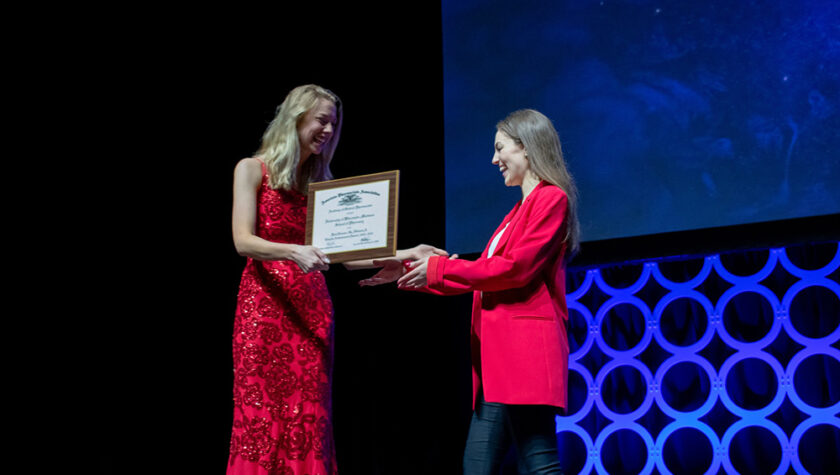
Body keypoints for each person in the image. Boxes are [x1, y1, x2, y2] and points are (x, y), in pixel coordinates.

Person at [228, 84, 446, 474]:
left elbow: (347, 258)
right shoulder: (251, 168)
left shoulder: (320, 185)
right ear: (296, 119)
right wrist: (293, 250)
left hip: (310, 312)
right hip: (263, 311)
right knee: (259, 415)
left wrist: (406, 253)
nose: (329, 131)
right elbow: (243, 241)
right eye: (322, 120)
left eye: (334, 124)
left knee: (308, 417)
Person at [372, 109, 580, 474]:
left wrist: (437, 268)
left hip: (525, 357)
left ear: (527, 148)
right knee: (479, 467)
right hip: (499, 362)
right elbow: (482, 274)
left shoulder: (552, 200)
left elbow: (514, 269)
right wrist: (407, 271)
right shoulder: (516, 212)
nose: (494, 159)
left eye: (500, 149)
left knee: (539, 464)